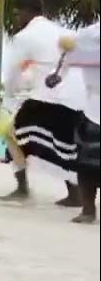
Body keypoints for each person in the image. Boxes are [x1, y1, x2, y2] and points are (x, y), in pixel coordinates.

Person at [0, 3, 87, 206]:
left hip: (49, 97)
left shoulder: (25, 36)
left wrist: (9, 96)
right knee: (63, 144)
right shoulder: (65, 32)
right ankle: (74, 193)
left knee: (12, 133)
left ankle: (22, 187)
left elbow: (13, 71)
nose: (18, 18)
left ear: (27, 13)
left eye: (19, 13)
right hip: (76, 98)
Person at [53, 22, 99, 223]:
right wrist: (57, 75)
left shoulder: (86, 35)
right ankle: (88, 210)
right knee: (86, 165)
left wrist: (57, 75)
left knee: (86, 164)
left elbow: (68, 54)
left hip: (94, 108)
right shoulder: (88, 34)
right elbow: (68, 55)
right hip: (94, 108)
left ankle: (88, 211)